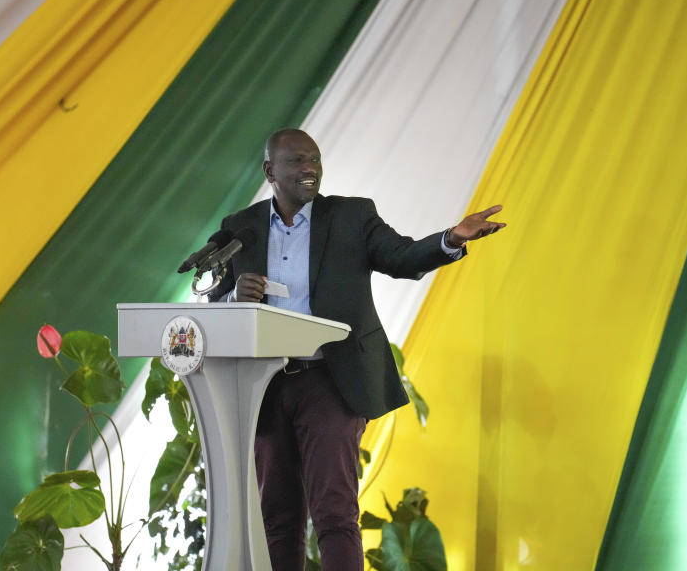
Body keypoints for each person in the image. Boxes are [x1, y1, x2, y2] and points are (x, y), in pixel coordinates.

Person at [208, 128, 504, 571]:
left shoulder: (352, 216)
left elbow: (402, 257)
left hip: (331, 380)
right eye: (297, 162)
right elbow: (213, 300)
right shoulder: (241, 229)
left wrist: (452, 238)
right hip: (265, 385)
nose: (309, 169)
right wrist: (234, 298)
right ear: (270, 171)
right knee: (278, 517)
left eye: (315, 160)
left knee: (334, 513)